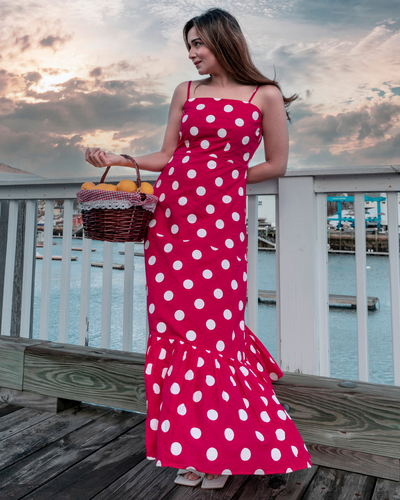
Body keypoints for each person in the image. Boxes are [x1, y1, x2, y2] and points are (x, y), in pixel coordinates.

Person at [86, 7, 312, 490]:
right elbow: (167, 155)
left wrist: (223, 180)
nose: (191, 54)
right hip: (170, 221)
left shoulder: (264, 94)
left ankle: (223, 452)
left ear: (222, 41)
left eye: (198, 45)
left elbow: (276, 165)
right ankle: (194, 449)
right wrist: (120, 158)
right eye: (187, 46)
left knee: (213, 333)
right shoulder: (185, 92)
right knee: (175, 329)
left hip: (218, 227)